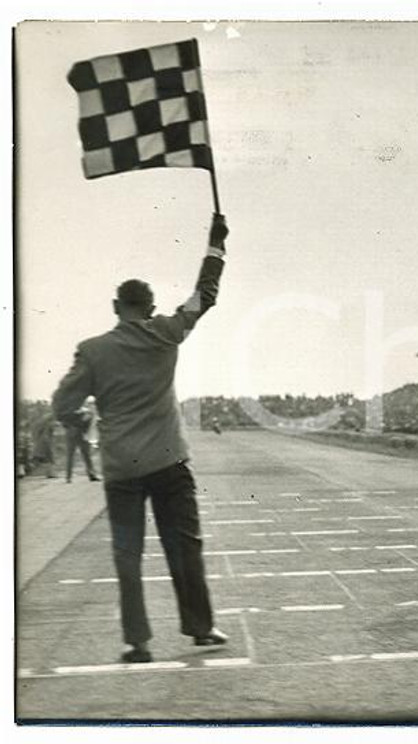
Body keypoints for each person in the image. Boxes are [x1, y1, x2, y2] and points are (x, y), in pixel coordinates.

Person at [51, 213, 230, 664]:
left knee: (127, 555)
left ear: (116, 306)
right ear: (150, 308)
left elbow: (61, 405)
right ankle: (201, 628)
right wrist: (215, 245)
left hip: (121, 468)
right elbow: (204, 296)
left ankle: (138, 642)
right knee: (184, 546)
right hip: (169, 462)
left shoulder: (93, 351)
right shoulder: (166, 333)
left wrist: (86, 425)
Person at [63, 406, 100, 483]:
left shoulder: (71, 410)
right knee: (84, 455)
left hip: (75, 433)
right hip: (78, 433)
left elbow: (64, 422)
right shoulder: (83, 411)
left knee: (75, 455)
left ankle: (68, 477)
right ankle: (91, 474)